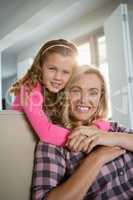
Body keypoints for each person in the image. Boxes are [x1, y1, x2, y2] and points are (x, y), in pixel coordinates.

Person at [31, 65, 133, 200]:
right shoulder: (53, 143)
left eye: (93, 92)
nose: (84, 100)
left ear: (100, 98)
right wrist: (95, 160)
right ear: (63, 94)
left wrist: (112, 137)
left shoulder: (113, 128)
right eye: (76, 91)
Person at [10, 39, 110, 147]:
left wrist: (93, 129)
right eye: (52, 69)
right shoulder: (29, 89)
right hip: (18, 145)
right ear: (40, 67)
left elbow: (103, 121)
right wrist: (82, 138)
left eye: (65, 72)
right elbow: (46, 133)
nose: (58, 77)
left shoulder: (61, 91)